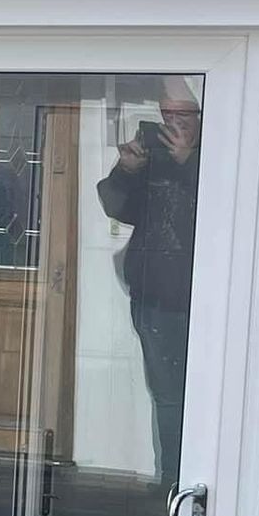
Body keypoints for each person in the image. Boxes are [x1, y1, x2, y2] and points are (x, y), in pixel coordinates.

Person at [96, 77, 201, 486]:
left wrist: (188, 161)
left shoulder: (223, 140)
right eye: (168, 113)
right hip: (155, 297)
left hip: (205, 297)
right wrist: (127, 169)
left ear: (199, 115)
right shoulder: (151, 148)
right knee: (167, 396)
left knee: (205, 391)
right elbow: (117, 207)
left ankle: (195, 480)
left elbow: (230, 206)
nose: (175, 122)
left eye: (184, 114)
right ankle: (171, 481)